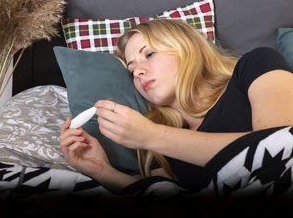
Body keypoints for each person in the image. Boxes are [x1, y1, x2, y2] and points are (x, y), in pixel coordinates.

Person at [59, 18, 293, 193]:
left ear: (186, 47)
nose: (138, 71)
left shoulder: (256, 65)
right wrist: (102, 170)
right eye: (132, 70)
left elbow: (281, 148)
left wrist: (151, 136)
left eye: (149, 54)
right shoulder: (160, 151)